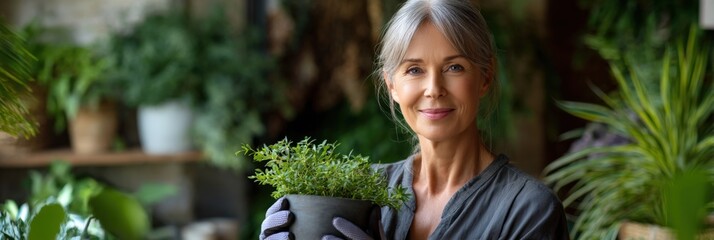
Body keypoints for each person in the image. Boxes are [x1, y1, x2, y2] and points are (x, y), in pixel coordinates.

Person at [260, 0, 570, 239]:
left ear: (486, 76)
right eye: (414, 70)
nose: (433, 89)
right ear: (391, 85)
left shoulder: (527, 209)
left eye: (455, 67)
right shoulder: (359, 193)